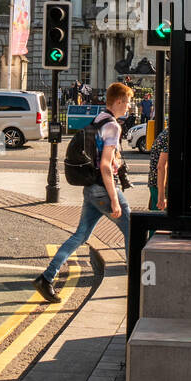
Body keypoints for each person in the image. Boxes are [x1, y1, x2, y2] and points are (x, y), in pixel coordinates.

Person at [34, 83, 133, 303]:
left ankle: (47, 278)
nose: (129, 106)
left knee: (81, 235)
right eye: (127, 101)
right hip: (104, 189)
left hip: (91, 189)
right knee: (132, 229)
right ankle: (136, 282)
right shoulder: (113, 126)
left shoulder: (98, 120)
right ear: (118, 101)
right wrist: (115, 200)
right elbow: (105, 165)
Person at [147, 125, 169, 211]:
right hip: (160, 184)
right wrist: (161, 195)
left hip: (156, 182)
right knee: (161, 218)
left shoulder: (165, 133)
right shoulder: (170, 136)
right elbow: (161, 166)